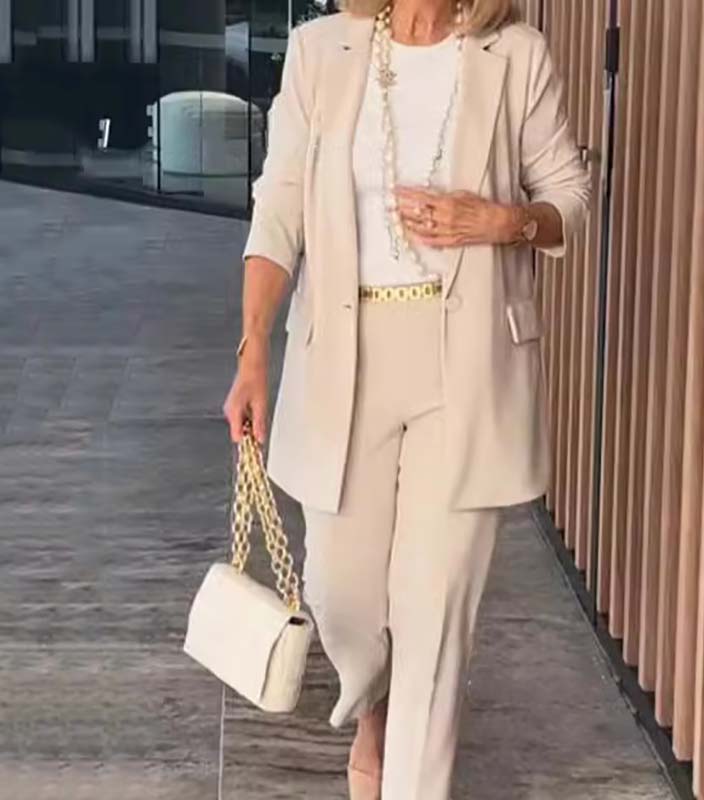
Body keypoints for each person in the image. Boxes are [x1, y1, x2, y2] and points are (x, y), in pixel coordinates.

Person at [223, 0, 591, 796]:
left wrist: (506, 221)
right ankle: (375, 698)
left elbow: (569, 196)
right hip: (344, 361)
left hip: (469, 368)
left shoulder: (515, 54)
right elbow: (279, 208)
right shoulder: (321, 51)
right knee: (340, 596)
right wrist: (252, 350)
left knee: (437, 613)